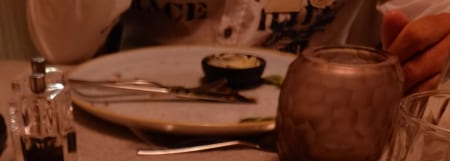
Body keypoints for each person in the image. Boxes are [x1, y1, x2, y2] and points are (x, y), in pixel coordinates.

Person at [26, 0, 450, 92]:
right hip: (133, 115)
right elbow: (59, 44)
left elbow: (428, 22)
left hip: (317, 138)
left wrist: (434, 44)